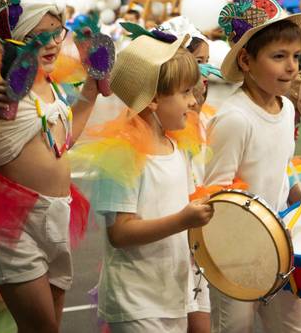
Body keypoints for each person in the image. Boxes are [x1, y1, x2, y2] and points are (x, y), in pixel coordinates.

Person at [0, 0, 100, 332]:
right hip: (13, 224)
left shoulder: (53, 84)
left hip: (58, 214)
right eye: (39, 35)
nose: (54, 42)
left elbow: (63, 141)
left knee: (50, 324)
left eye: (57, 33)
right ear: (15, 41)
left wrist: (90, 93)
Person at [73, 26, 213, 333]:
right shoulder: (123, 154)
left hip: (171, 294)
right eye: (185, 92)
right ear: (152, 99)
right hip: (136, 301)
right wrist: (183, 220)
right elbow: (120, 233)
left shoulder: (176, 147)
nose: (193, 101)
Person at [204, 0, 301, 332]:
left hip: (280, 245)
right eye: (278, 56)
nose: (291, 66)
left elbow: (281, 169)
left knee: (294, 329)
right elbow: (215, 193)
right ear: (247, 62)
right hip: (236, 252)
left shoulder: (287, 109)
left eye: (296, 56)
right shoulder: (236, 118)